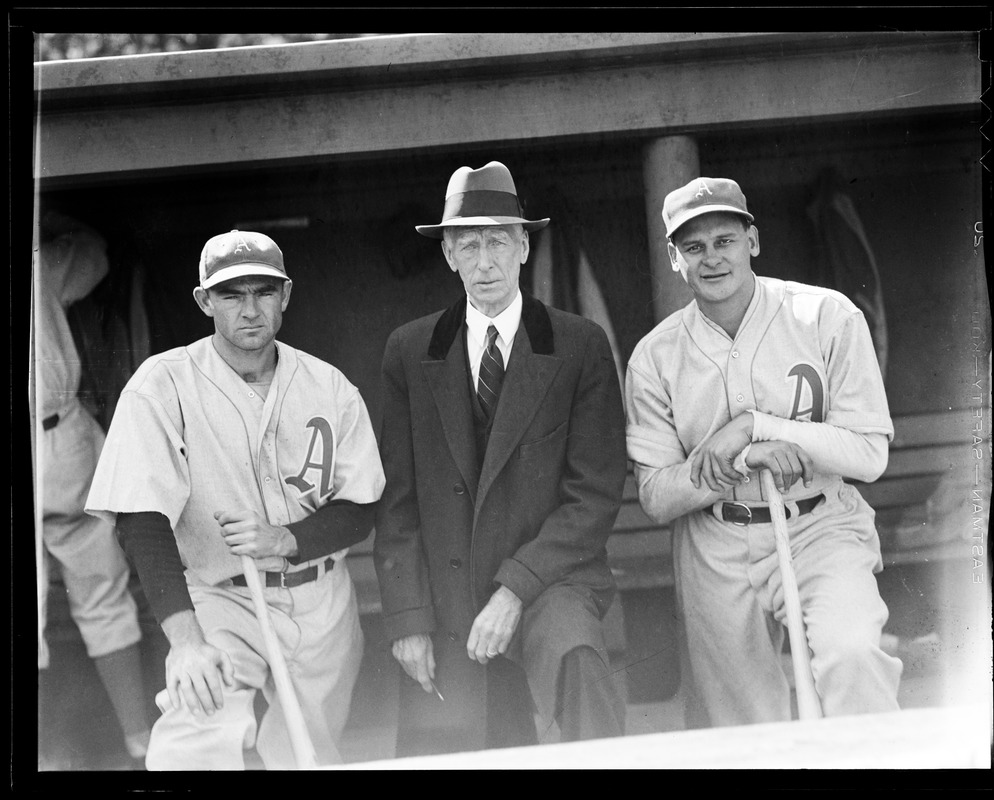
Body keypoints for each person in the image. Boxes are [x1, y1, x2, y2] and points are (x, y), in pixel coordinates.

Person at [86, 230, 385, 769]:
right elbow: (139, 519)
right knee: (192, 737)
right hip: (222, 596)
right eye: (231, 294)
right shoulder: (162, 384)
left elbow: (363, 508)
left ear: (285, 295)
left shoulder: (329, 386)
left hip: (322, 601)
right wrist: (185, 640)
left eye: (263, 292)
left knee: (307, 757)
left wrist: (288, 537)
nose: (250, 310)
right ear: (204, 301)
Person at [625, 177, 903, 727]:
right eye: (694, 247)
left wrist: (755, 425)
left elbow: (869, 455)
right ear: (673, 258)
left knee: (852, 658)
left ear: (752, 240)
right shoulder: (654, 357)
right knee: (744, 727)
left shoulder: (826, 316)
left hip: (818, 523)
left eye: (724, 240)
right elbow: (657, 497)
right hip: (715, 541)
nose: (711, 258)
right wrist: (746, 456)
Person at [374, 161, 627, 756]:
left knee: (580, 664)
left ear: (522, 246)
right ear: (448, 256)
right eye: (468, 245)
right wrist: (409, 620)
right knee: (453, 751)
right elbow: (398, 500)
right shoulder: (410, 350)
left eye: (495, 242)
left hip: (550, 583)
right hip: (449, 593)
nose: (483, 262)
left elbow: (593, 496)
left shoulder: (579, 344)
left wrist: (514, 588)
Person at [35, 212, 152, 762]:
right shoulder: (37, 261)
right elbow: (94, 248)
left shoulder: (37, 263)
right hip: (54, 435)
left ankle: (135, 738)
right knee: (95, 592)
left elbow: (96, 253)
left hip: (58, 439)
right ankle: (125, 741)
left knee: (98, 581)